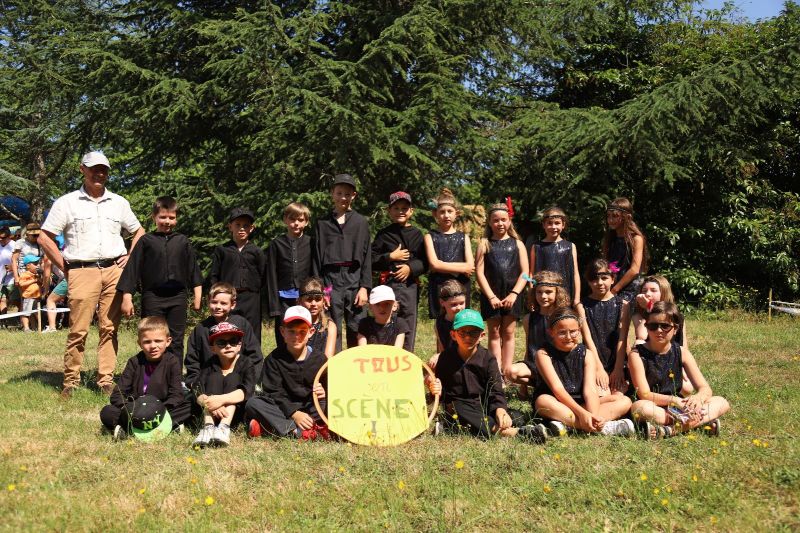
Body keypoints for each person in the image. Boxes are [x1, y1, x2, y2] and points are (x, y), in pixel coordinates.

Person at [38, 151, 145, 398]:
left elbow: (139, 231)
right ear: (82, 170)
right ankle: (71, 382)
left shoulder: (119, 202)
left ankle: (105, 380)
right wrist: (65, 266)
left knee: (110, 328)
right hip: (81, 270)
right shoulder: (66, 203)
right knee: (78, 329)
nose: (99, 173)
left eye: (104, 169)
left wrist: (130, 256)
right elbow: (44, 237)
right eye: (94, 168)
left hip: (114, 270)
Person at [428, 309, 547, 442]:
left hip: (483, 405)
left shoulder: (488, 358)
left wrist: (500, 409)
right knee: (457, 408)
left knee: (517, 416)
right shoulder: (445, 358)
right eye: (462, 332)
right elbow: (442, 394)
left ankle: (451, 428)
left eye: (473, 332)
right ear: (453, 335)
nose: (467, 337)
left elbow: (495, 390)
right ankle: (514, 433)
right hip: (459, 407)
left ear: (482, 335)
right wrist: (436, 390)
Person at [521, 308, 635, 437]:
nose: (568, 337)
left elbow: (590, 391)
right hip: (558, 402)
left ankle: (570, 425)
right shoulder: (543, 354)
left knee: (624, 400)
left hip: (581, 402)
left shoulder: (587, 354)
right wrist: (582, 414)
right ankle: (602, 427)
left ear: (579, 330)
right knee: (543, 401)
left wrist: (591, 414)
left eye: (573, 332)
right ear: (551, 332)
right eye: (562, 333)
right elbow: (558, 390)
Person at [629, 302, 730, 439]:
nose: (659, 330)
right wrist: (674, 401)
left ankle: (668, 430)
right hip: (656, 405)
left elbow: (705, 388)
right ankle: (698, 423)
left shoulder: (682, 352)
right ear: (646, 327)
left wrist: (698, 398)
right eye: (653, 326)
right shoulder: (636, 354)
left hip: (679, 406)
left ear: (675, 329)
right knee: (640, 408)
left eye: (665, 326)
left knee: (721, 402)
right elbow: (644, 394)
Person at [118, 196, 203, 358]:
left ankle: (174, 373)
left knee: (176, 339)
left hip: (178, 297)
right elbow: (132, 270)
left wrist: (197, 297)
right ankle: (152, 372)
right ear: (154, 217)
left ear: (176, 218)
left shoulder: (182, 241)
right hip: (152, 297)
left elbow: (193, 270)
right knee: (152, 336)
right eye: (163, 217)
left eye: (171, 217)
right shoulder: (145, 241)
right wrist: (127, 298)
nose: (167, 221)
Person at [245, 306, 330, 440]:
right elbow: (273, 393)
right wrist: (294, 413)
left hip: (311, 409)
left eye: (302, 332)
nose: (296, 336)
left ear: (311, 332)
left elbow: (328, 387)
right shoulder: (273, 359)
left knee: (330, 404)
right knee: (253, 403)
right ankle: (297, 431)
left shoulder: (320, 359)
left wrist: (323, 392)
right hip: (284, 409)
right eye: (291, 331)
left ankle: (266, 428)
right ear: (282, 332)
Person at [99, 317, 191, 440]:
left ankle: (129, 429)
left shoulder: (172, 362)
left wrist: (159, 409)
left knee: (190, 405)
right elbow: (117, 394)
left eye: (158, 341)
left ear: (168, 341)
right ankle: (166, 427)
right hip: (135, 411)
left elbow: (176, 394)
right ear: (139, 343)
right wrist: (131, 408)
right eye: (147, 342)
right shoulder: (134, 362)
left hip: (161, 410)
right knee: (107, 412)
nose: (153, 346)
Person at [313, 173, 371, 351]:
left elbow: (367, 256)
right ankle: (334, 364)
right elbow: (316, 257)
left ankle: (357, 363)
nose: (343, 197)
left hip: (354, 278)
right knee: (331, 326)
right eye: (339, 193)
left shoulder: (361, 222)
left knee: (357, 325)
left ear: (354, 195)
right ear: (332, 193)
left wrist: (364, 287)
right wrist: (321, 289)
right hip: (330, 280)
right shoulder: (322, 223)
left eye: (347, 194)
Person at [475, 203, 528, 378]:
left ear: (509, 221)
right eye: (496, 220)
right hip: (491, 296)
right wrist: (491, 296)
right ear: (490, 222)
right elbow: (479, 273)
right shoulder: (484, 244)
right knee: (494, 332)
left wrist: (514, 294)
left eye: (503, 220)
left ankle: (507, 371)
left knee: (509, 332)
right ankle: (496, 372)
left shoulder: (518, 244)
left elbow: (525, 273)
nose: (500, 223)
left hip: (512, 295)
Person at [371, 191, 427, 351]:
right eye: (396, 208)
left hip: (409, 286)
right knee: (387, 320)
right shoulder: (383, 234)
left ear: (411, 211)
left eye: (404, 208)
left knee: (408, 321)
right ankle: (386, 354)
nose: (400, 211)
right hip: (388, 285)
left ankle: (407, 356)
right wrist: (390, 256)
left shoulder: (417, 234)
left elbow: (425, 261)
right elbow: (371, 259)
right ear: (389, 211)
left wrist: (410, 268)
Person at [184, 282, 262, 393]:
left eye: (223, 303)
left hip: (238, 381)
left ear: (233, 304)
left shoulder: (242, 324)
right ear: (208, 301)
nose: (218, 307)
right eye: (214, 302)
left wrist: (250, 382)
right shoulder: (200, 329)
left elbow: (255, 356)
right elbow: (192, 359)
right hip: (210, 381)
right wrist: (194, 383)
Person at [192, 322, 256, 447]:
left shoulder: (246, 363)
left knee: (233, 377)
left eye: (233, 341)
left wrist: (220, 400)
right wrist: (210, 403)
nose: (228, 346)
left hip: (235, 414)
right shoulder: (210, 364)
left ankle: (223, 428)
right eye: (221, 343)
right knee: (215, 377)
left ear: (239, 345)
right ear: (213, 348)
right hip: (211, 412)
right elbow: (197, 388)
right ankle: (208, 427)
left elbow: (248, 389)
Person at [207, 207, 266, 341]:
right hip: (228, 298)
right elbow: (214, 275)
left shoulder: (257, 251)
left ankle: (252, 354)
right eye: (237, 225)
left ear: (251, 228)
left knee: (252, 332)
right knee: (228, 330)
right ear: (230, 227)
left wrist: (254, 291)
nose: (241, 229)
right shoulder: (222, 250)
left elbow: (263, 276)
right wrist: (217, 295)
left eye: (246, 225)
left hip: (251, 299)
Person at [512, 271, 570, 399]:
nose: (543, 296)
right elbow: (529, 347)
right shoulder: (528, 319)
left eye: (548, 292)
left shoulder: (564, 318)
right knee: (511, 372)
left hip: (557, 366)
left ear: (558, 293)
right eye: (539, 292)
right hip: (535, 365)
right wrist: (523, 387)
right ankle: (541, 385)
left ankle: (552, 387)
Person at [578, 259, 630, 395]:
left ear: (613, 279)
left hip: (617, 361)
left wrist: (618, 369)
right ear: (588, 281)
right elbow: (587, 338)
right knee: (601, 394)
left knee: (619, 394)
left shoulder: (623, 305)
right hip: (593, 360)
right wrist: (598, 368)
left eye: (604, 278)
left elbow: (622, 339)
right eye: (594, 279)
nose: (600, 282)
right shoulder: (581, 306)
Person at [265, 202, 314, 348]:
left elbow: (315, 271)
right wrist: (274, 306)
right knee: (284, 333)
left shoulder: (311, 242)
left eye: (300, 220)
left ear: (306, 222)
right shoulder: (276, 244)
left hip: (305, 297)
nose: (296, 223)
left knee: (305, 331)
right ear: (285, 220)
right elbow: (271, 275)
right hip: (283, 299)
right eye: (292, 219)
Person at [423, 188, 474, 318]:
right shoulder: (430, 237)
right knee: (441, 322)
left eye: (450, 211)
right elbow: (434, 265)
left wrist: (442, 265)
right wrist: (461, 268)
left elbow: (470, 266)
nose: (446, 215)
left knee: (460, 322)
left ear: (456, 213)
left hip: (461, 286)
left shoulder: (464, 237)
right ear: (435, 214)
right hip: (439, 286)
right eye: (442, 212)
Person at [529, 207, 580, 306]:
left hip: (565, 293)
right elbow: (531, 273)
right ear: (543, 225)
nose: (553, 227)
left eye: (557, 223)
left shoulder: (570, 246)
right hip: (543, 295)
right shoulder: (537, 247)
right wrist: (532, 294)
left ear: (563, 225)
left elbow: (575, 274)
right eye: (549, 223)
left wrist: (577, 297)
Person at [602, 198, 648, 302]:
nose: (610, 220)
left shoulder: (636, 239)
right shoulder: (610, 239)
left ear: (627, 217)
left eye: (615, 216)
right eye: (608, 216)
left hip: (628, 288)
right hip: (610, 285)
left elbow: (634, 270)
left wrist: (614, 290)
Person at [631, 274, 687, 348]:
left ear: (663, 293)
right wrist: (648, 308)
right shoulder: (638, 314)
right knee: (638, 343)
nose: (647, 294)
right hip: (649, 351)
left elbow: (683, 344)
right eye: (644, 291)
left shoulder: (676, 315)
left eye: (653, 290)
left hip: (671, 351)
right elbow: (642, 336)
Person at [298, 277, 337, 358]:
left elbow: (328, 358)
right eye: (309, 299)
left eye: (318, 299)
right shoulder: (294, 324)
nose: (313, 303)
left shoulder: (329, 326)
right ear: (300, 301)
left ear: (323, 301)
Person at [18, 255, 43, 332]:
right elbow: (21, 284)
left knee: (36, 313)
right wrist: (34, 280)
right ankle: (26, 328)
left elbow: (41, 284)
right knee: (26, 313)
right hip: (28, 297)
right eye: (35, 264)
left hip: (36, 297)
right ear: (28, 266)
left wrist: (40, 278)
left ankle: (36, 327)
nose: (37, 266)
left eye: (38, 264)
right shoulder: (24, 274)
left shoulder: (36, 275)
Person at [0, 227, 15, 316]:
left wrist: (13, 267)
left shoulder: (14, 246)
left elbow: (21, 261)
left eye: (3, 238)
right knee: (2, 299)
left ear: (9, 236)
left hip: (12, 279)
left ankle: (20, 319)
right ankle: (3, 320)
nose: (0, 239)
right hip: (1, 278)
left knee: (15, 301)